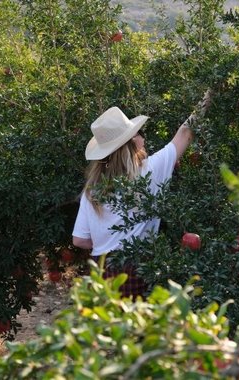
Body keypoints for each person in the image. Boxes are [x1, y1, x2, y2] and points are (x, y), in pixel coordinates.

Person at [72, 105, 197, 298]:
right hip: (138, 268)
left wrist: (107, 241)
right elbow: (185, 133)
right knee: (140, 326)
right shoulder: (150, 171)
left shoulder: (93, 188)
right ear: (132, 144)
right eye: (138, 133)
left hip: (101, 271)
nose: (143, 137)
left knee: (106, 326)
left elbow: (79, 240)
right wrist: (211, 92)